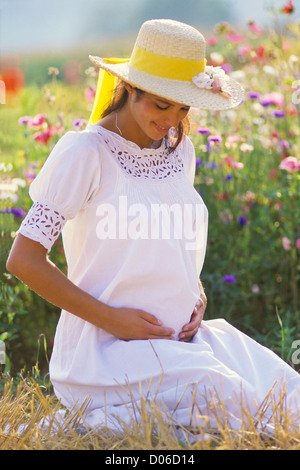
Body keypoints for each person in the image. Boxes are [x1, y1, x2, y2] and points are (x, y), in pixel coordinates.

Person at [6, 19, 300, 433]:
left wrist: (194, 294)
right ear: (130, 89)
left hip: (182, 341)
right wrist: (112, 319)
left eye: (183, 107)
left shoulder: (181, 151)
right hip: (107, 351)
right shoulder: (83, 153)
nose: (172, 120)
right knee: (231, 398)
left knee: (286, 393)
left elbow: (170, 240)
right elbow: (23, 260)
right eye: (162, 105)